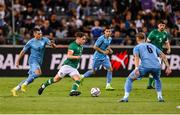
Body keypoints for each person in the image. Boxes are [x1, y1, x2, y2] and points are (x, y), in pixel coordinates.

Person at [119, 32, 171, 102]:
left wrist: (136, 68)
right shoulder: (152, 46)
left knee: (129, 79)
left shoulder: (137, 47)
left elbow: (136, 58)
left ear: (137, 39)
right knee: (157, 79)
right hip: (157, 66)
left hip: (145, 66)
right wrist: (168, 67)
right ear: (145, 38)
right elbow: (163, 55)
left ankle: (125, 98)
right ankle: (160, 97)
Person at [38, 32, 87, 96]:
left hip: (73, 68)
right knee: (56, 79)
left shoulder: (81, 46)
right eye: (83, 39)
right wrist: (76, 57)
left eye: (85, 39)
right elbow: (69, 56)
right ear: (78, 38)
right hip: (67, 66)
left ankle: (73, 91)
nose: (85, 41)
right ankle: (43, 86)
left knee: (78, 79)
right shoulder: (73, 45)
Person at [11, 28, 56, 96]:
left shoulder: (44, 39)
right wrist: (17, 61)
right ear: (34, 34)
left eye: (41, 33)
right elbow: (23, 51)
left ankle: (15, 89)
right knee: (38, 73)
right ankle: (24, 84)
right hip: (33, 61)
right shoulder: (31, 42)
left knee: (31, 78)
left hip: (39, 61)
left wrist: (52, 44)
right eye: (38, 34)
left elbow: (54, 47)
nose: (40, 35)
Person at [80, 26, 114, 90]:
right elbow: (95, 47)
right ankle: (82, 76)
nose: (108, 33)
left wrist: (110, 50)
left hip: (104, 57)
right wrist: (103, 52)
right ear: (104, 32)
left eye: (109, 31)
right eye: (107, 31)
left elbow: (107, 45)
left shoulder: (110, 39)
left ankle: (108, 85)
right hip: (97, 57)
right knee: (93, 72)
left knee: (110, 69)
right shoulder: (101, 38)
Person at [146, 20, 171, 89]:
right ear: (158, 26)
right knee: (155, 68)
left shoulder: (165, 33)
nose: (162, 26)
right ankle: (152, 84)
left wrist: (169, 49)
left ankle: (151, 84)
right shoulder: (153, 32)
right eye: (160, 25)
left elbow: (166, 42)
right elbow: (147, 42)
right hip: (152, 53)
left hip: (160, 53)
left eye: (163, 25)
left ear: (165, 26)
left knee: (156, 68)